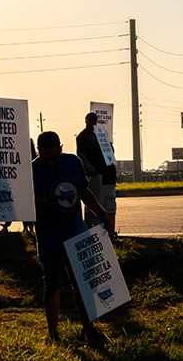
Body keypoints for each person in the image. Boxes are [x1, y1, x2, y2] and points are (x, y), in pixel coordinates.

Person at [32, 131, 109, 344]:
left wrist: (101, 212)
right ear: (38, 153)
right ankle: (53, 334)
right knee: (53, 287)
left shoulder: (73, 162)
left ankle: (89, 330)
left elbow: (83, 192)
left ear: (61, 149)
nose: (49, 162)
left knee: (84, 286)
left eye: (54, 158)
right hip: (50, 241)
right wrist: (38, 204)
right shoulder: (30, 169)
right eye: (44, 158)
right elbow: (22, 204)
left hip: (77, 236)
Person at [76, 112, 117, 235]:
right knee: (92, 202)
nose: (93, 122)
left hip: (99, 174)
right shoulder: (83, 136)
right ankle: (90, 228)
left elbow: (107, 154)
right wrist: (91, 169)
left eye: (95, 120)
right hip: (91, 174)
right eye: (91, 120)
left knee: (99, 201)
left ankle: (97, 228)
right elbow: (82, 155)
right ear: (86, 121)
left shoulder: (96, 136)